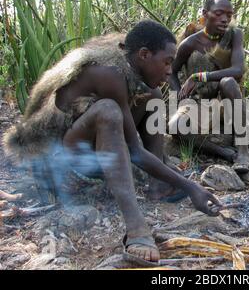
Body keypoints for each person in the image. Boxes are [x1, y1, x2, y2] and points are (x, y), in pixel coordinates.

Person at [3, 20, 221, 266]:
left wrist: (173, 177)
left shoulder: (125, 62)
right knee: (107, 111)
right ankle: (136, 229)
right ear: (144, 55)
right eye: (167, 61)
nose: (170, 70)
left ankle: (157, 185)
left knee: (153, 96)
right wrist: (191, 187)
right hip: (59, 165)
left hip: (85, 151)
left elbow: (134, 145)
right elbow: (135, 150)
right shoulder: (111, 74)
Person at [168, 0, 249, 173]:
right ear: (205, 14)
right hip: (199, 103)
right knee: (174, 126)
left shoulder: (234, 35)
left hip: (225, 100)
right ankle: (224, 153)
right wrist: (180, 100)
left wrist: (199, 76)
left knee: (228, 81)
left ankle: (243, 151)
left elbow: (238, 70)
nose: (225, 19)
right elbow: (170, 72)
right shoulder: (190, 43)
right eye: (219, 13)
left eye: (229, 15)